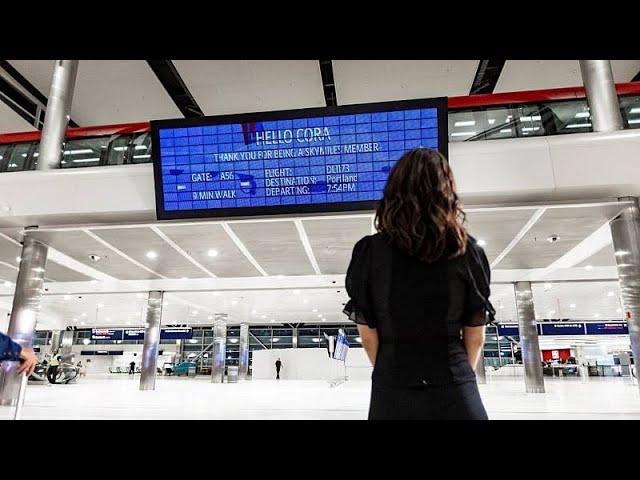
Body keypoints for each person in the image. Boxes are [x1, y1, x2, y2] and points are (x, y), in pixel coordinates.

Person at [344, 148, 495, 420]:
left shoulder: (370, 252)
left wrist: (392, 373)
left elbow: (368, 338)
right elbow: (475, 335)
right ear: (446, 191)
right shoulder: (467, 250)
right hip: (454, 385)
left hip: (393, 387)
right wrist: (458, 377)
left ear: (393, 191)